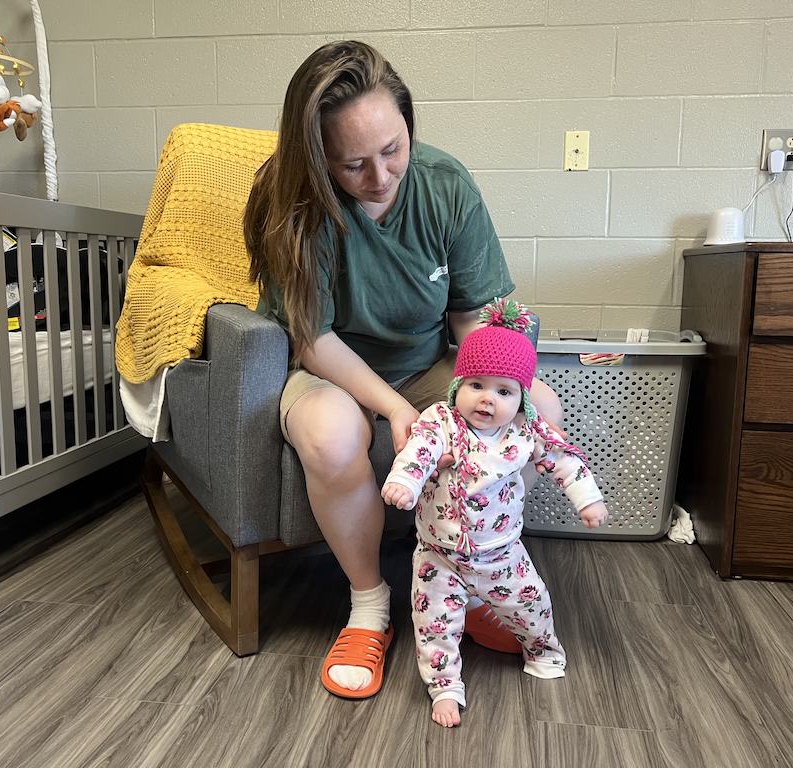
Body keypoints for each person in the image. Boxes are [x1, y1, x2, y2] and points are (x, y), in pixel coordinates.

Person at [245, 40, 566, 700]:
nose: (381, 175)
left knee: (543, 410)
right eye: (353, 164)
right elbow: (314, 339)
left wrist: (500, 385)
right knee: (333, 437)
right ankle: (369, 605)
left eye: (393, 150)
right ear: (318, 159)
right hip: (332, 370)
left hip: (430, 363)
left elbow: (475, 320)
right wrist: (392, 410)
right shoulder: (293, 206)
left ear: (410, 126)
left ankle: (477, 579)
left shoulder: (446, 185)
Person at [381, 299, 609, 727]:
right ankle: (444, 686)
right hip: (438, 556)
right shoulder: (440, 421)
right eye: (477, 386)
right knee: (433, 623)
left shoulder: (525, 429)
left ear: (520, 397)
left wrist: (587, 499)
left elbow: (563, 459)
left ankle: (542, 651)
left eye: (503, 391)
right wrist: (406, 483)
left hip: (501, 553)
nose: (488, 400)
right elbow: (418, 451)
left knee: (533, 605)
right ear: (457, 387)